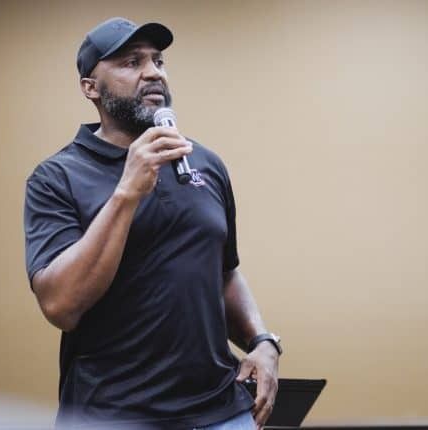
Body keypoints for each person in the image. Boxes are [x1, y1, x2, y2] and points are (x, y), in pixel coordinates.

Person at [24, 17, 282, 430]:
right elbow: (61, 306)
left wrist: (263, 342)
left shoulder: (205, 163)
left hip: (221, 410)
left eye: (158, 61)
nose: (153, 73)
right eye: (131, 62)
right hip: (112, 415)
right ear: (91, 87)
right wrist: (127, 192)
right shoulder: (57, 177)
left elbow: (224, 272)